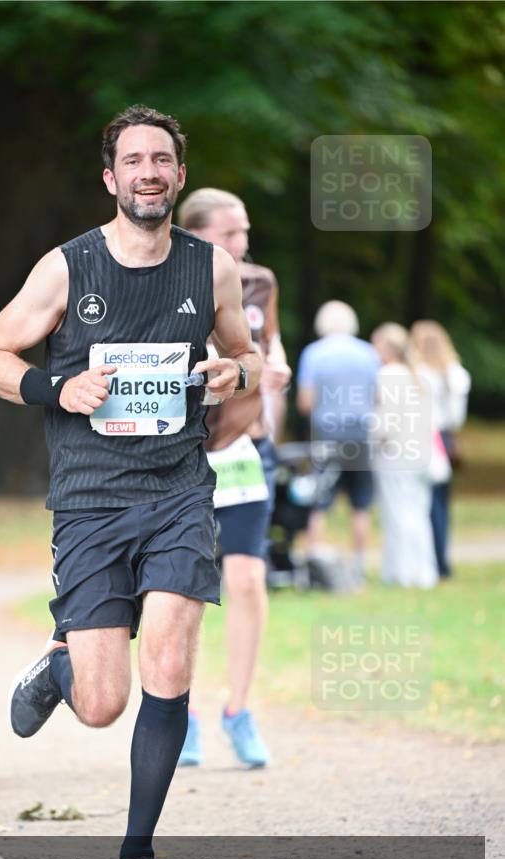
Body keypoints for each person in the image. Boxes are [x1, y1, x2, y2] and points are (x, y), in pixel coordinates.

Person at [0, 106, 261, 859]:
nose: (148, 172)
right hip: (92, 498)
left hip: (176, 489)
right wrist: (57, 386)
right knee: (103, 705)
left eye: (161, 159)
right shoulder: (67, 268)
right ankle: (64, 664)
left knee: (168, 658)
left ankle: (137, 854)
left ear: (178, 174)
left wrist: (243, 371)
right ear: (111, 178)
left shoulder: (210, 269)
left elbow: (247, 353)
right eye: (133, 160)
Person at [175, 188, 290, 768]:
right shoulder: (165, 276)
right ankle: (182, 715)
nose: (241, 245)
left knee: (245, 580)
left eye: (244, 232)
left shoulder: (260, 283)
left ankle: (238, 711)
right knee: (184, 591)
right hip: (182, 454)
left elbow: (270, 344)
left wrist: (279, 366)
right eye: (228, 235)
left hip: (246, 450)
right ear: (195, 235)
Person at [296, 300, 380, 587]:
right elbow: (378, 397)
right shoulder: (369, 353)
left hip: (327, 436)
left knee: (319, 502)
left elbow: (306, 402)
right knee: (361, 504)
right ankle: (358, 569)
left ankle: (315, 567)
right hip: (360, 435)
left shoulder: (314, 354)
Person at [370, 323, 438, 589]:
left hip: (395, 455)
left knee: (398, 514)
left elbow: (385, 421)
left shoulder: (388, 376)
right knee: (418, 512)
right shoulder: (419, 376)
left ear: (387, 347)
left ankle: (404, 572)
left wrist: (372, 441)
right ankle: (422, 571)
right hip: (420, 453)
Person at [410, 320, 471, 578]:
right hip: (445, 438)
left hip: (423, 437)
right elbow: (457, 418)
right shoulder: (456, 373)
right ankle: (441, 559)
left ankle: (429, 560)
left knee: (423, 503)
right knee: (441, 503)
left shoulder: (417, 373)